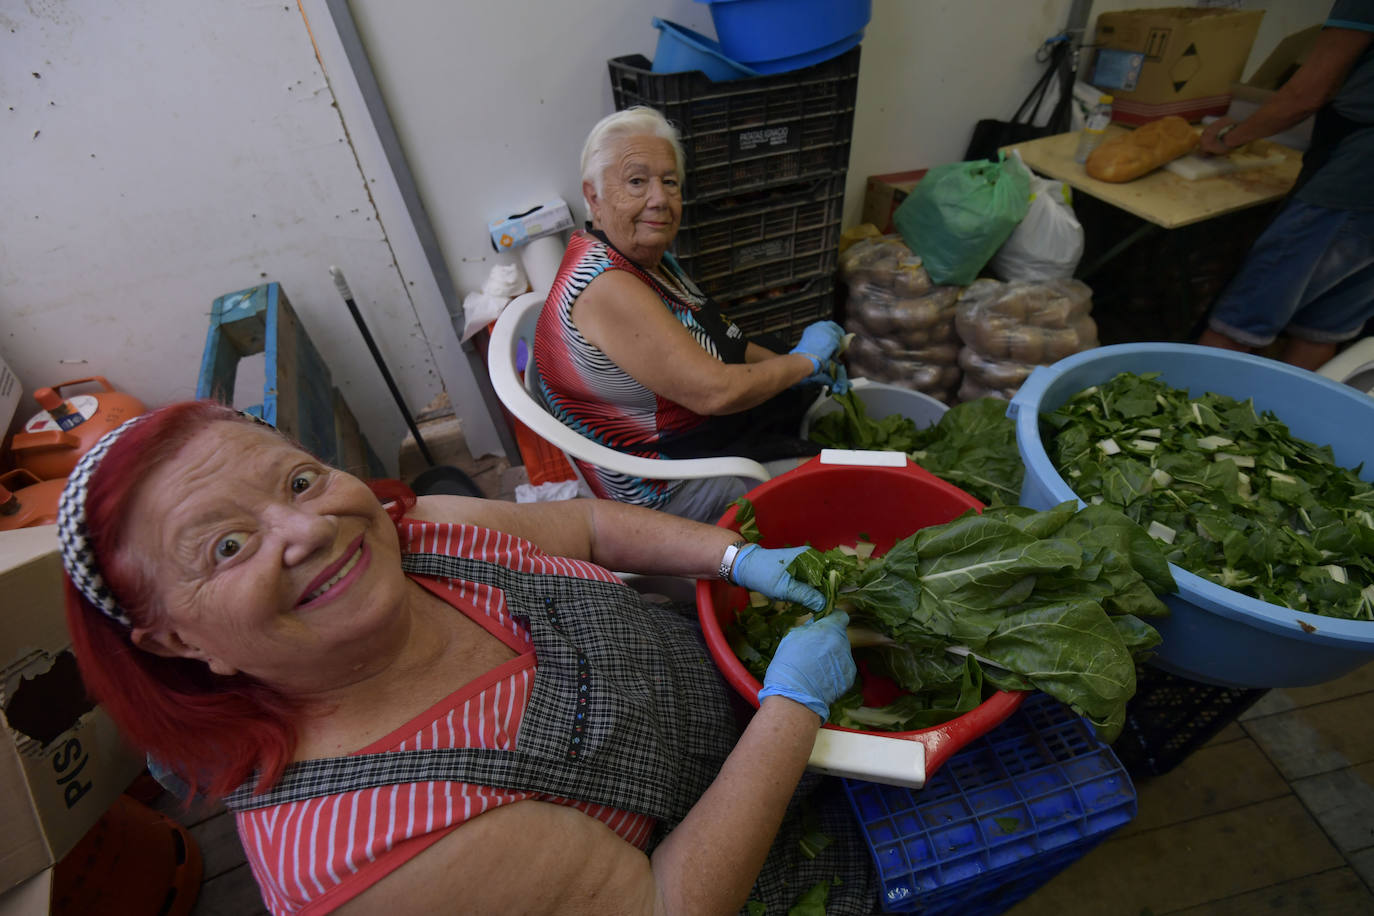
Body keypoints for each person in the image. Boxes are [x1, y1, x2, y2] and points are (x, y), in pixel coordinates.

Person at [57, 401, 880, 915]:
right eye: (229, 546)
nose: (307, 530)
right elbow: (669, 901)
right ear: (177, 642)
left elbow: (590, 529)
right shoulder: (368, 848)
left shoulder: (417, 536)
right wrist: (794, 709)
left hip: (748, 710)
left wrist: (730, 559)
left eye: (300, 482)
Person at [534, 106, 848, 524]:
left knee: (790, 385)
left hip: (687, 432)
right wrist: (803, 361)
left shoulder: (648, 258)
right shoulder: (608, 286)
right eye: (636, 181)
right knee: (834, 489)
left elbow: (721, 338)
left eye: (670, 182)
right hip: (662, 482)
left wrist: (793, 367)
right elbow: (713, 393)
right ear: (593, 196)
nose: (659, 199)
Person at [1196, 0, 1374, 371]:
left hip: (1357, 178)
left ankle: (1187, 422)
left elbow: (1307, 93)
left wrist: (1229, 137)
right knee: (1323, 325)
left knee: (1241, 320)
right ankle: (1281, 424)